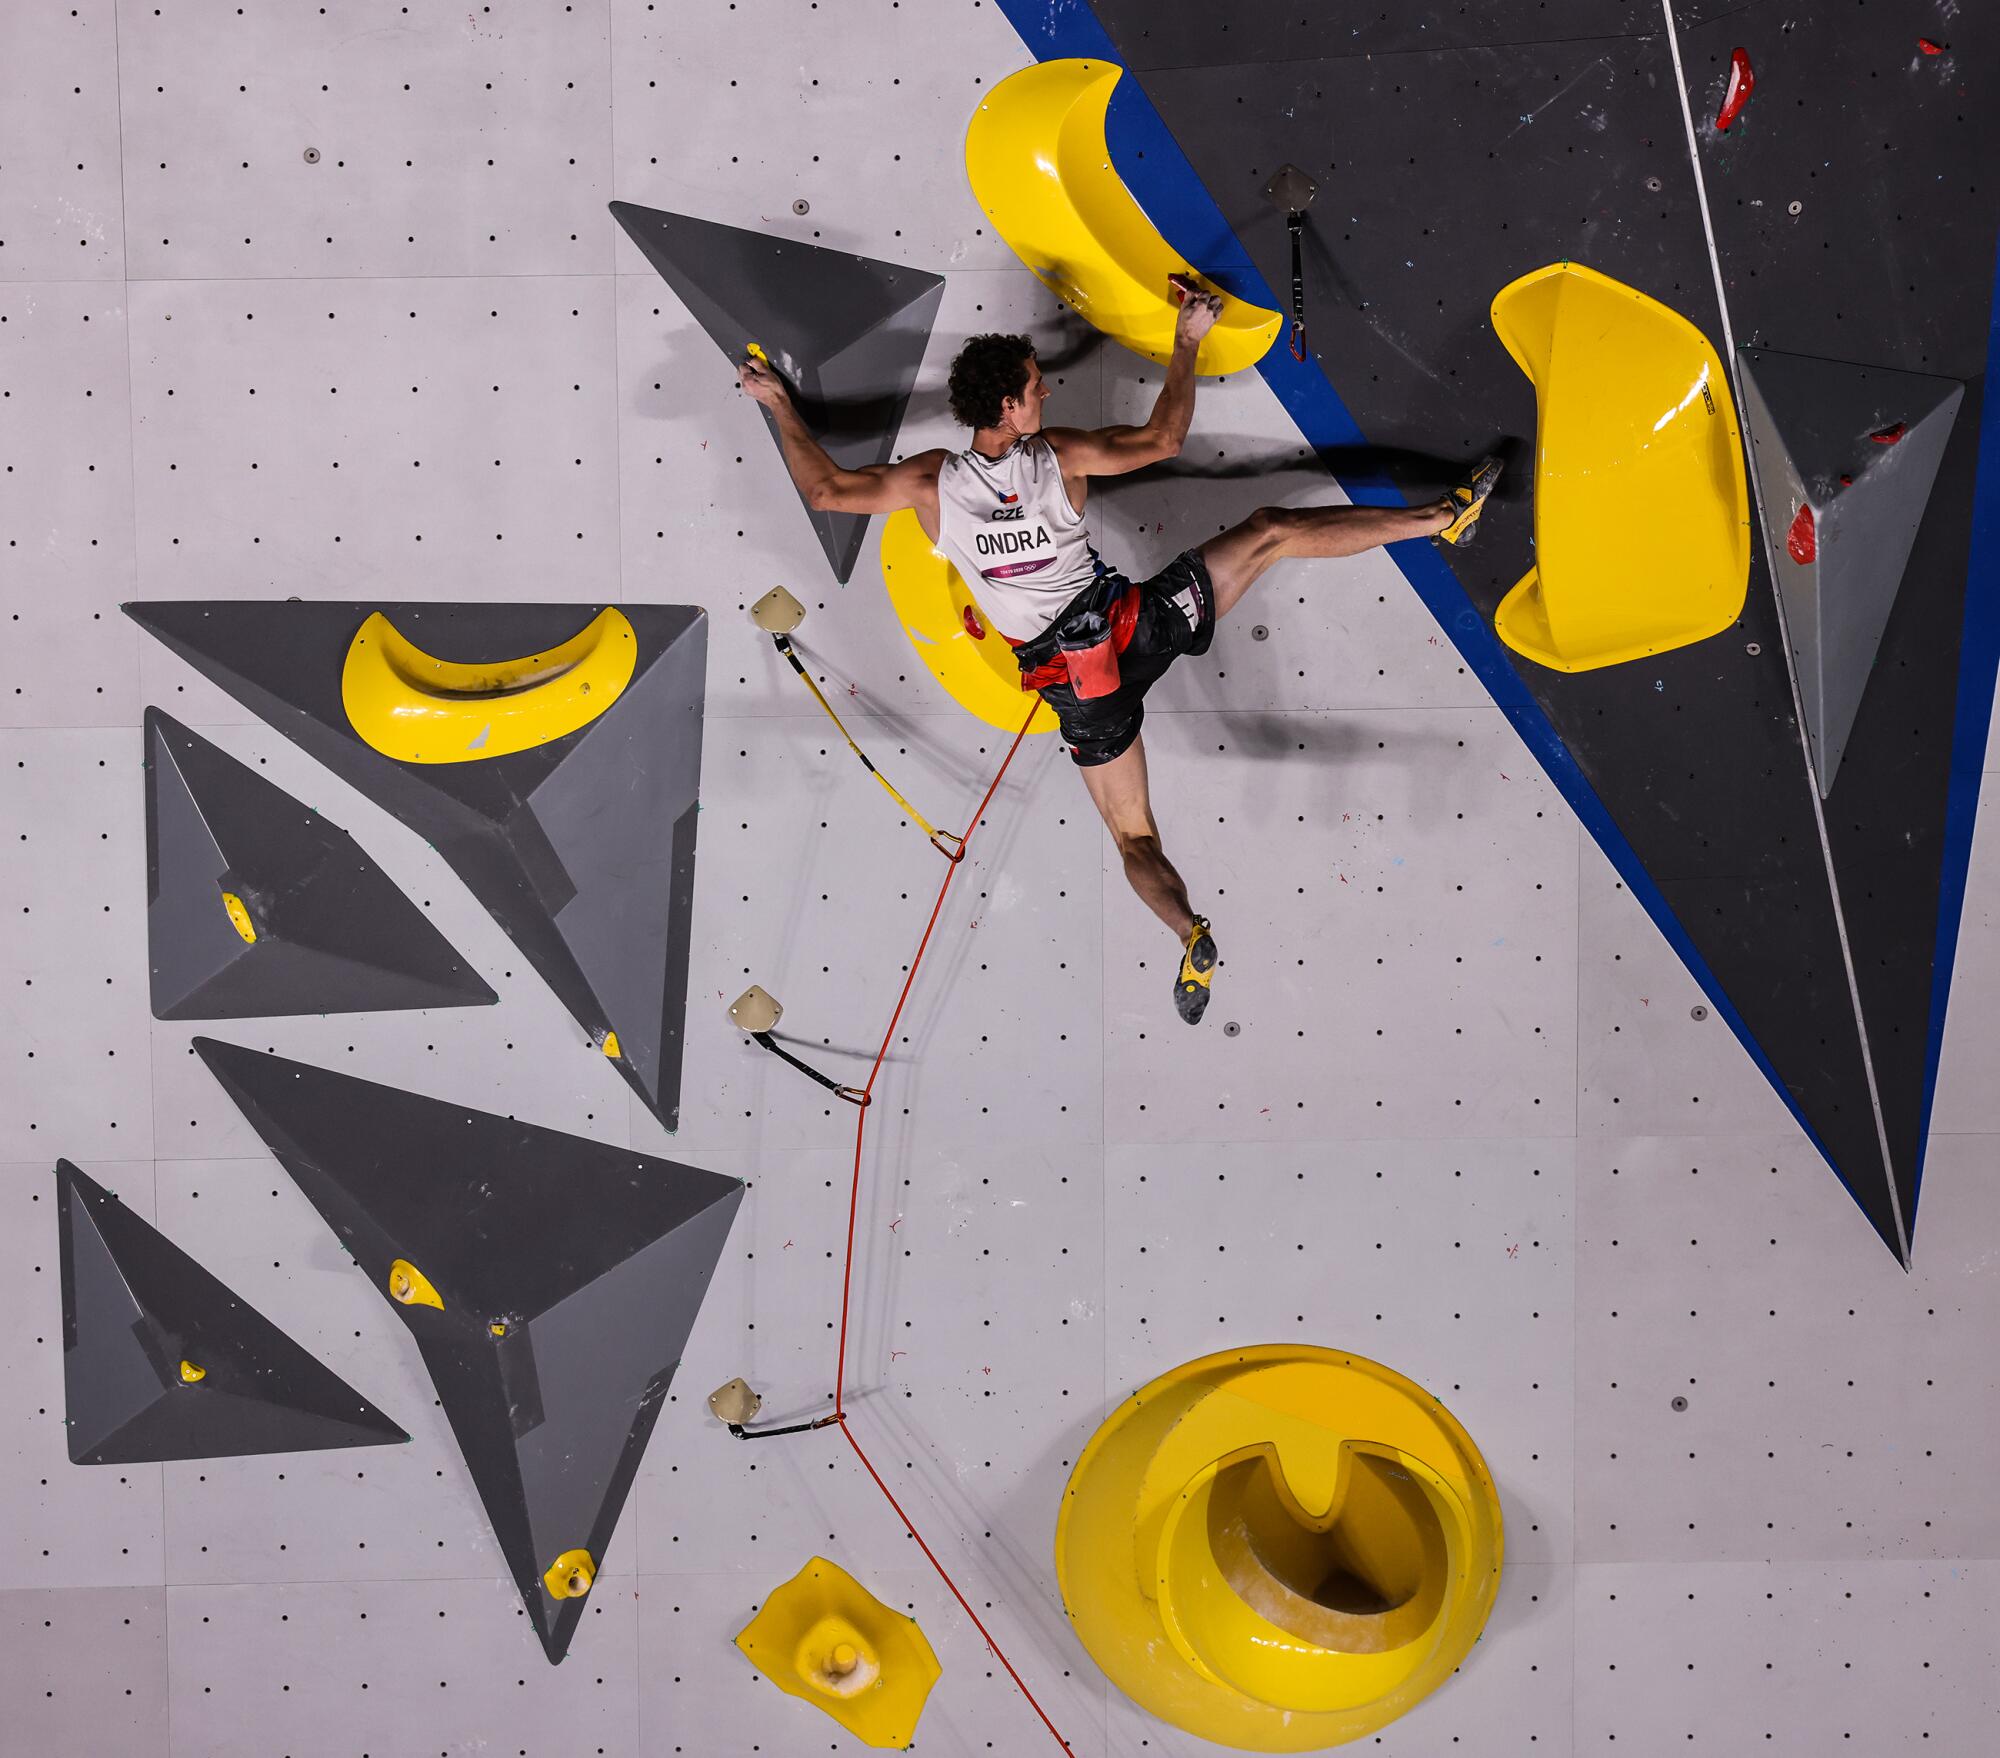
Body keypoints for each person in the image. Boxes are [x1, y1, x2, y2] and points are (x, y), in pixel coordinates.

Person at [739, 286, 1499, 1024]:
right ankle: (1441, 517)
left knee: (1133, 836)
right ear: (1007, 407)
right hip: (1135, 624)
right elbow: (1163, 440)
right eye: (1035, 390)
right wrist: (1188, 338)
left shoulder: (931, 482)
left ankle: (1189, 931)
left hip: (1081, 689)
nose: (1044, 397)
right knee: (1271, 529)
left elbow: (827, 491)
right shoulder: (1055, 456)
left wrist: (778, 404)